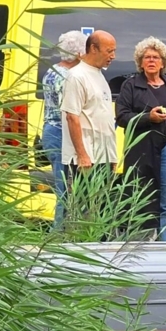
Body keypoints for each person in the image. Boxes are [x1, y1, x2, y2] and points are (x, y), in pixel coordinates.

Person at [115, 37, 166, 240]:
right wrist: (148, 118)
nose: (151, 61)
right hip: (142, 152)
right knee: (142, 200)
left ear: (163, 62)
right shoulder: (131, 85)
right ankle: (141, 247)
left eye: (155, 57)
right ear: (140, 62)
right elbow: (122, 116)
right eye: (147, 57)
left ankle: (163, 246)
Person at [61, 30, 118, 225]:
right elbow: (72, 116)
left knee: (100, 210)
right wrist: (82, 155)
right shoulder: (76, 76)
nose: (113, 56)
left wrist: (112, 156)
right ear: (93, 48)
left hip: (102, 156)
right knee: (83, 211)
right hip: (85, 160)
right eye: (109, 51)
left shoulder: (99, 75)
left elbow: (102, 117)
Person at [41, 30, 86, 231]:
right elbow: (69, 111)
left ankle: (62, 231)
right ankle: (58, 234)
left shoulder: (51, 71)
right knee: (66, 188)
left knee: (62, 185)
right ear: (78, 54)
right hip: (62, 133)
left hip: (50, 130)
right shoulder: (68, 77)